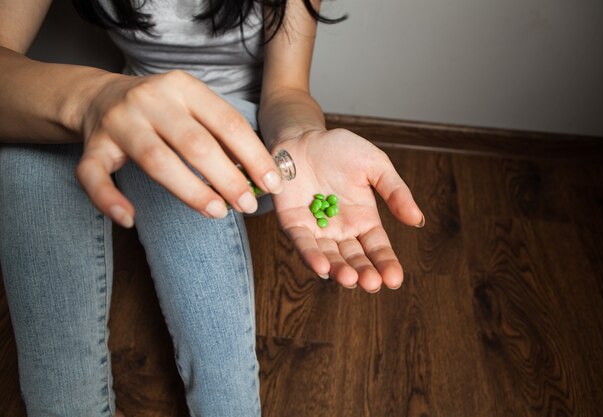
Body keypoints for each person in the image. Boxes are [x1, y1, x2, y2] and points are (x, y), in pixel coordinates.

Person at [0, 0, 425, 416]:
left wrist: (302, 135)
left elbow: (287, 91)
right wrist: (98, 98)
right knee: (25, 161)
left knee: (179, 165)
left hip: (250, 133)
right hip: (128, 99)